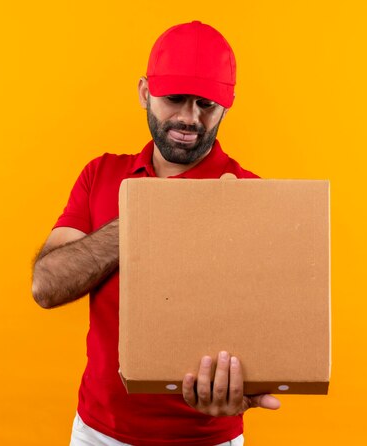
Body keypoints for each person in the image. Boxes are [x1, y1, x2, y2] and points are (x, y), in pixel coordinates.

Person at [31, 21, 281, 446]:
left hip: (208, 438)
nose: (189, 118)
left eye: (206, 104)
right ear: (145, 93)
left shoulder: (250, 195)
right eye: (175, 100)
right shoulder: (101, 175)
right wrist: (145, 216)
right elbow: (46, 285)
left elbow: (271, 332)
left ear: (227, 106)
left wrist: (245, 392)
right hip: (98, 434)